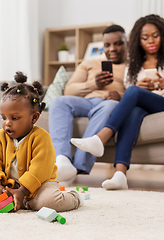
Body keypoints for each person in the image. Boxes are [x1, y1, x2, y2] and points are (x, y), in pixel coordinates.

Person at [71, 14, 164, 190]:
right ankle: (120, 175)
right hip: (146, 106)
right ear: (138, 40)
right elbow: (130, 96)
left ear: (163, 35)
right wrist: (140, 87)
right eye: (145, 37)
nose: (151, 40)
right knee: (134, 108)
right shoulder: (134, 65)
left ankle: (100, 138)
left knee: (134, 91)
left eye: (155, 35)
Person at [0, 72, 82, 212]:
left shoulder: (41, 137)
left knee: (50, 202)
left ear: (34, 118)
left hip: (40, 185)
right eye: (3, 117)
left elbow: (40, 169)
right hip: (10, 185)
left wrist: (22, 191)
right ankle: (23, 202)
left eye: (14, 118)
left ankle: (74, 198)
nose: (7, 123)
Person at [49, 25, 127, 186]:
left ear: (126, 43)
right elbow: (69, 89)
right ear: (103, 46)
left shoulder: (132, 66)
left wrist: (120, 96)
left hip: (109, 103)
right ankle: (62, 160)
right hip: (86, 102)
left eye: (118, 43)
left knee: (110, 105)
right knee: (58, 101)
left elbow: (137, 94)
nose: (112, 49)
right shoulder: (90, 62)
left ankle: (78, 167)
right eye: (107, 45)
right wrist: (93, 84)